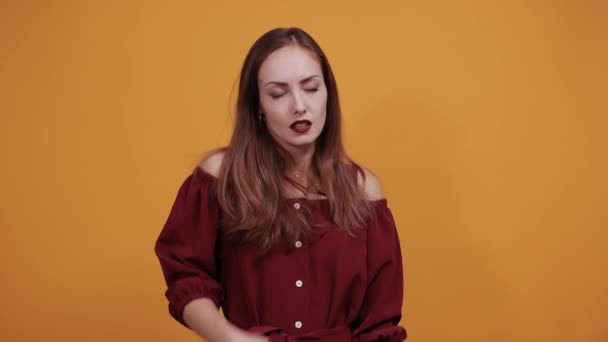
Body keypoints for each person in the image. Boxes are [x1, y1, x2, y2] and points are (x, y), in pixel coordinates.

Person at [155, 27, 407, 342]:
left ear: (328, 92)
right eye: (278, 93)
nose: (299, 105)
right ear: (258, 105)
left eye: (311, 88)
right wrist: (229, 337)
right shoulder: (221, 178)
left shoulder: (363, 189)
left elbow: (380, 321)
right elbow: (186, 274)